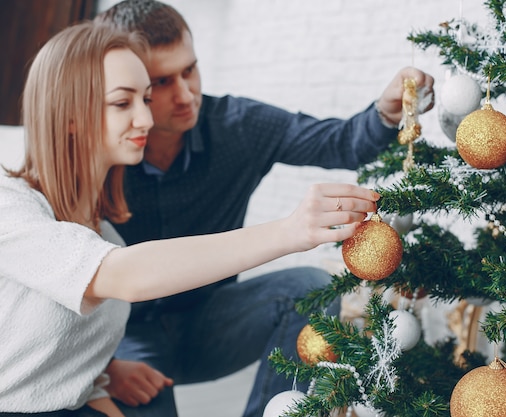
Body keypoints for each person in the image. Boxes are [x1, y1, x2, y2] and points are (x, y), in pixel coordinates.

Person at [0, 21, 381, 416]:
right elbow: (123, 275)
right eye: (121, 102)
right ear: (68, 116)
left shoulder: (105, 231)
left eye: (145, 99)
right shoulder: (10, 207)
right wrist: (289, 231)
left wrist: (102, 374)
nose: (145, 119)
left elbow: (56, 350)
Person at [95, 1, 435, 416]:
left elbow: (340, 141)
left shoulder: (237, 125)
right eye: (161, 81)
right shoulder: (97, 152)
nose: (185, 95)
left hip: (211, 323)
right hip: (123, 338)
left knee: (309, 286)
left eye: (190, 70)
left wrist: (386, 111)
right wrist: (105, 366)